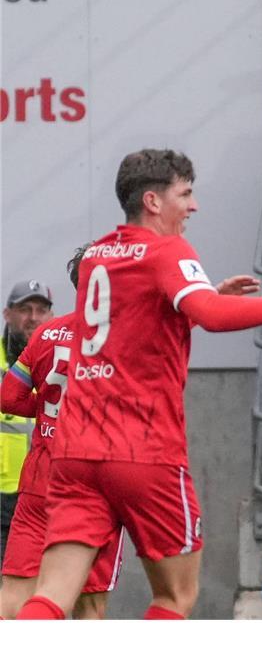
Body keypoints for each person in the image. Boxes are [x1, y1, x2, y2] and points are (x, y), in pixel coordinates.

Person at [15, 148, 262, 620]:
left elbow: (134, 328)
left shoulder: (97, 256)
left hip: (76, 451)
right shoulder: (166, 250)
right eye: (185, 193)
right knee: (175, 596)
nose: (194, 205)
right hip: (144, 449)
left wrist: (199, 302)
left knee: (51, 594)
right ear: (152, 200)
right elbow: (211, 314)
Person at [1, 245, 126, 619]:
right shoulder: (125, 339)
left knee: (13, 599)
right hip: (98, 480)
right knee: (89, 606)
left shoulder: (47, 334)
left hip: (41, 478)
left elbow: (8, 397)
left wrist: (48, 411)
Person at [1, 280, 51, 562]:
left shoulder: (60, 361)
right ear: (8, 314)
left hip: (42, 494)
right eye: (25, 309)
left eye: (41, 310)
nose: (33, 317)